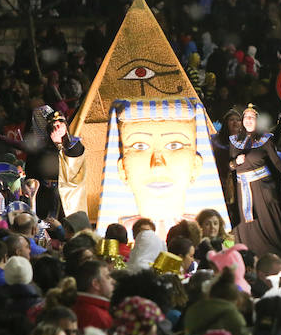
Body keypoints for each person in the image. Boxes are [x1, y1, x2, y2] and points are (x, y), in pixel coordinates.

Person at [96, 98, 230, 238]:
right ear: (122, 169)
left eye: (174, 145)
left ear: (196, 165)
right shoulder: (118, 235)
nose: (157, 165)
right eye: (140, 146)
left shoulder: (207, 238)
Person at [0, 106, 86, 219]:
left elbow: (74, 157)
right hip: (41, 192)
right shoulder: (40, 144)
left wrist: (60, 143)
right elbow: (18, 144)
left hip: (63, 195)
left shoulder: (70, 143)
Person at [229, 104, 281, 256]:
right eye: (246, 117)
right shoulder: (234, 141)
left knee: (265, 219)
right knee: (246, 222)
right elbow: (229, 165)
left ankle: (272, 252)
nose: (249, 120)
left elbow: (277, 162)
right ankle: (248, 252)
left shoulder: (265, 140)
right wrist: (235, 163)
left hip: (263, 186)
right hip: (242, 187)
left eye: (252, 118)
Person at [71, 259, 115, 330]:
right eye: (107, 277)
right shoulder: (98, 316)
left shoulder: (77, 305)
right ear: (96, 284)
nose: (113, 281)